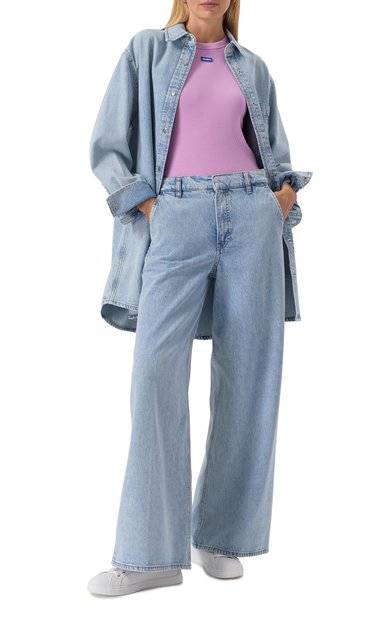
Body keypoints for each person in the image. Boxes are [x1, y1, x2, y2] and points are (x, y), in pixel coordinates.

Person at [87, 0, 312, 596]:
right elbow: (107, 144)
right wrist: (150, 207)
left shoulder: (253, 66)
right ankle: (148, 555)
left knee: (249, 375)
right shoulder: (146, 50)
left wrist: (279, 202)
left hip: (251, 215)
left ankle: (219, 536)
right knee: (155, 374)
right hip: (175, 214)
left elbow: (275, 154)